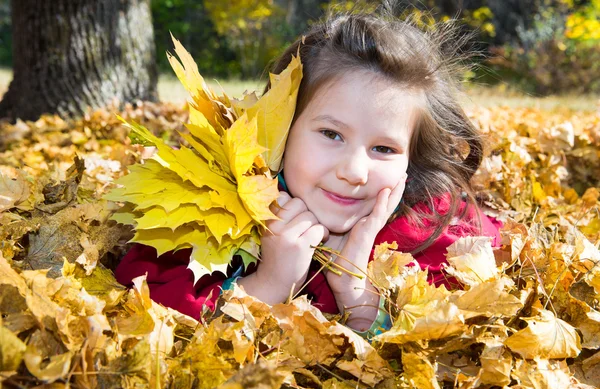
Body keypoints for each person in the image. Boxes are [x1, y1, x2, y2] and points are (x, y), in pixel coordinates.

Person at [115, 8, 501, 338]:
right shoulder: (207, 213)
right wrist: (268, 283)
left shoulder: (429, 229)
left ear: (411, 160)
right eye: (331, 134)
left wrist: (356, 291)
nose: (353, 172)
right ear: (281, 128)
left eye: (384, 149)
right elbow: (152, 316)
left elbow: (438, 350)